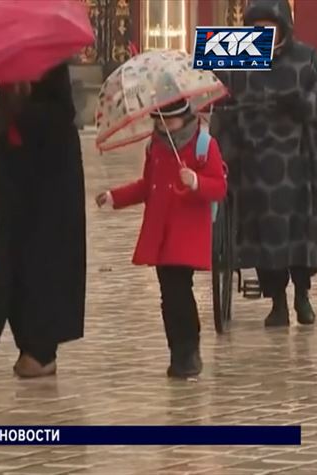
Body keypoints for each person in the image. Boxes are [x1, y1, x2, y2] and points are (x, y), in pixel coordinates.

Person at [210, 0, 317, 327]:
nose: (265, 33)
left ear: (283, 27)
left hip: (297, 159)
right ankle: (277, 300)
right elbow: (219, 98)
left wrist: (300, 105)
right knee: (264, 230)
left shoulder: (305, 57)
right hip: (253, 160)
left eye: (271, 27)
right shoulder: (238, 53)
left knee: (300, 224)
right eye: (258, 27)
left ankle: (302, 294)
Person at [96, 99, 227, 378]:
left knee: (179, 291)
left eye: (169, 121)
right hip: (160, 233)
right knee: (168, 296)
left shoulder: (204, 145)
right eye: (159, 121)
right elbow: (147, 185)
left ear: (184, 118)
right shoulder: (154, 146)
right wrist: (114, 197)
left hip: (187, 232)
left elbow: (218, 187)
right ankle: (177, 351)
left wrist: (196, 182)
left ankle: (189, 350)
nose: (163, 126)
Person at [0, 62, 87, 378]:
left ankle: (42, 350)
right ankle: (26, 343)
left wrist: (20, 107)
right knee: (13, 257)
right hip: (13, 176)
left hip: (51, 177)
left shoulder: (49, 62)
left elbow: (61, 114)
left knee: (45, 262)